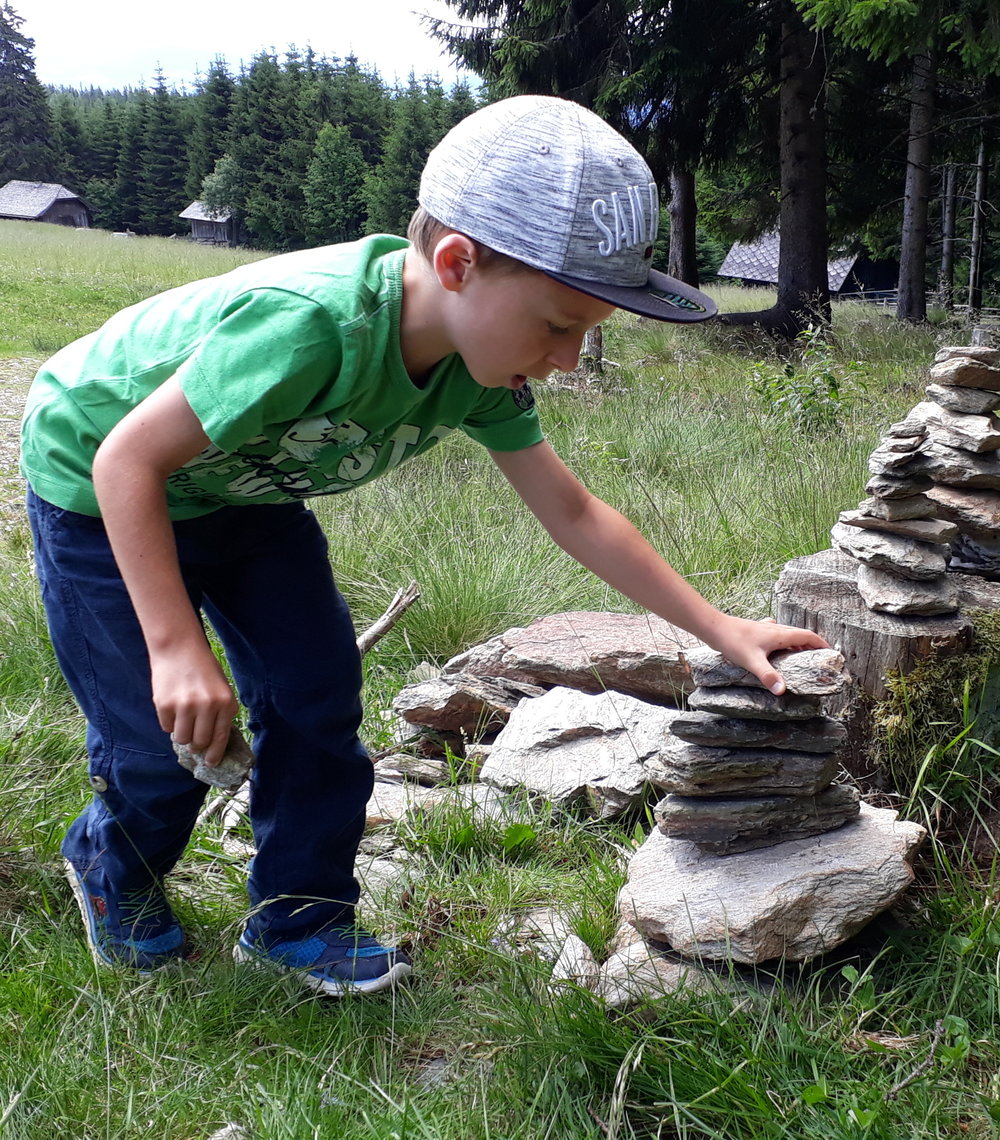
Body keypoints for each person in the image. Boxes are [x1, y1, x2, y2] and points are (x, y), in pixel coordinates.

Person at [20, 95, 827, 997]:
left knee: (315, 700)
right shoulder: (309, 326)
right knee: (156, 738)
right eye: (560, 325)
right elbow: (128, 456)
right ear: (456, 264)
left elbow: (576, 514)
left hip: (245, 499)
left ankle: (300, 916)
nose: (568, 359)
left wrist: (721, 628)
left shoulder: (483, 371)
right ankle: (112, 865)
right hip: (100, 480)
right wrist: (175, 648)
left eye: (588, 334)